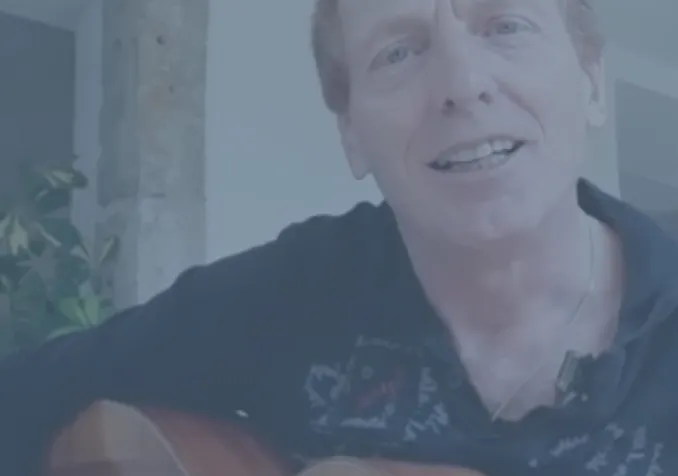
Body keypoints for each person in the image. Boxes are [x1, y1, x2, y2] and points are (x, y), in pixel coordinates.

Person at [3, 0, 678, 474]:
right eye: (399, 51)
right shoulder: (294, 294)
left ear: (592, 84)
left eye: (505, 26)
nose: (463, 84)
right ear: (351, 133)